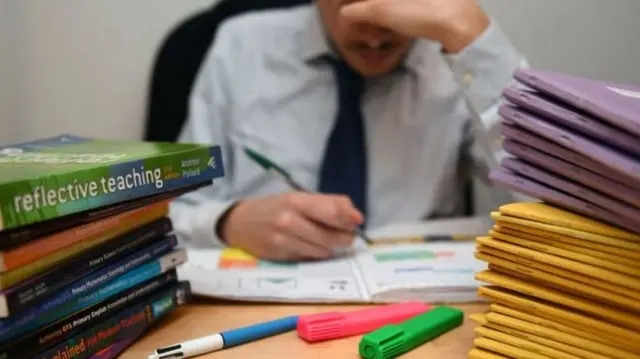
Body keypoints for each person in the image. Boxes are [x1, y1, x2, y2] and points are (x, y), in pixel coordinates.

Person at [169, 0, 528, 261]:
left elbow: (550, 213)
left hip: (416, 310)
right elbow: (170, 217)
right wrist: (228, 222)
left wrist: (474, 37)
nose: (374, 37)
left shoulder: (461, 63)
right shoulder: (239, 47)